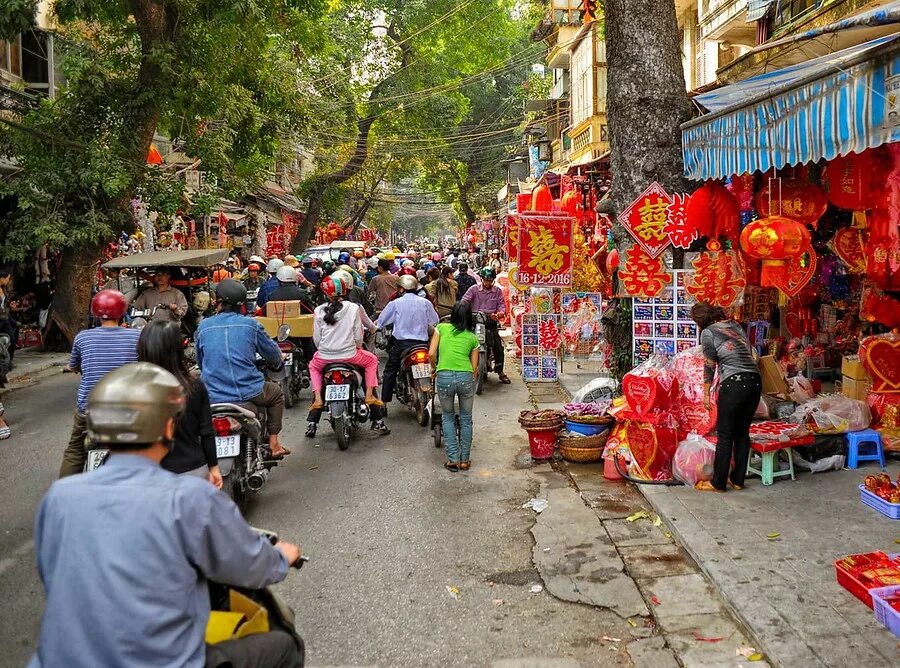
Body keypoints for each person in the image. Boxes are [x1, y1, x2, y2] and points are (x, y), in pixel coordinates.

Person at [30, 362, 303, 668]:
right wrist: (281, 556)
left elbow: (52, 574)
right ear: (168, 426)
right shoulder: (189, 498)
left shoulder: (59, 498)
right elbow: (249, 565)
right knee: (284, 647)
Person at [196, 279, 290, 459]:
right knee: (276, 393)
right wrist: (279, 361)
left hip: (212, 394)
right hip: (249, 391)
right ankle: (274, 444)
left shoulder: (203, 327)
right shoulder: (251, 325)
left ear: (218, 301)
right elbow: (273, 354)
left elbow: (201, 363)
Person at [59, 290, 141, 477]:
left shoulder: (82, 337)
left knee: (75, 452)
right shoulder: (135, 337)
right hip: (124, 410)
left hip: (88, 409)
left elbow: (73, 366)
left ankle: (64, 493)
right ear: (122, 312)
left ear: (95, 313)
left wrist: (71, 367)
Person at [137, 321, 222, 488]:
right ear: (178, 349)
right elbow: (206, 432)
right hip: (194, 471)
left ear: (142, 348)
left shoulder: (133, 389)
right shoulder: (194, 386)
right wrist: (214, 467)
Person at [691, 303, 762, 493]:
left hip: (734, 383)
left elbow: (709, 364)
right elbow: (750, 352)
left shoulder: (708, 332)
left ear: (700, 320)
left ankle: (718, 482)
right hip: (755, 381)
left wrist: (706, 394)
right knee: (742, 433)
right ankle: (737, 480)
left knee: (725, 434)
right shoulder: (735, 325)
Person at [306, 275, 388, 436]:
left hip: (324, 356)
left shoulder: (318, 310)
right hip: (350, 355)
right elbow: (358, 335)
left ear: (324, 293)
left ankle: (316, 405)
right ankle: (371, 400)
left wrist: (324, 350)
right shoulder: (353, 308)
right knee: (371, 361)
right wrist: (357, 348)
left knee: (313, 368)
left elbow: (316, 337)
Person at [429, 302, 479, 472]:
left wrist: (434, 368)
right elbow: (474, 369)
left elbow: (431, 353)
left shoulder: (441, 328)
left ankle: (452, 460)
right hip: (465, 378)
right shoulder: (472, 338)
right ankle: (464, 461)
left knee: (448, 416)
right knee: (466, 418)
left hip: (444, 377)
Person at [377, 274, 439, 404]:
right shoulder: (426, 303)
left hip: (402, 345)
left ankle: (384, 402)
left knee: (390, 370)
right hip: (422, 344)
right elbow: (435, 321)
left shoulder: (395, 303)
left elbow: (381, 322)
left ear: (400, 289)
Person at [461, 268, 510, 384]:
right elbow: (464, 301)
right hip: (475, 321)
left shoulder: (497, 291)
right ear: (482, 279)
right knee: (465, 344)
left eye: (490, 280)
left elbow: (502, 305)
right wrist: (464, 308)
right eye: (486, 280)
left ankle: (500, 372)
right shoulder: (474, 289)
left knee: (498, 346)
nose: (488, 282)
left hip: (490, 322)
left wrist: (500, 313)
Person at [0, 268, 19, 365]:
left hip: (5, 318)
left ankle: (8, 362)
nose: (8, 280)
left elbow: (3, 306)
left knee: (12, 339)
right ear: (2, 278)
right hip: (2, 318)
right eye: (7, 278)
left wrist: (9, 305)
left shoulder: (3, 289)